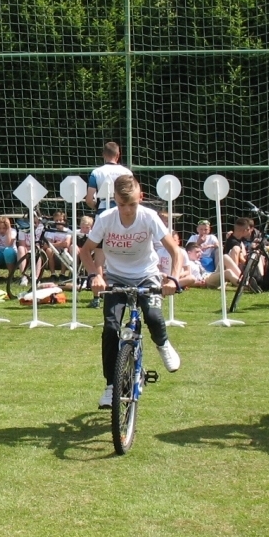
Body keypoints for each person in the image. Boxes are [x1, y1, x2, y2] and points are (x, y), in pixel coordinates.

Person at [80, 175, 185, 409]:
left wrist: (173, 278)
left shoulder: (149, 217)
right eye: (121, 204)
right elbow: (85, 251)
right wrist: (94, 275)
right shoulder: (105, 219)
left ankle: (163, 344)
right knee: (110, 328)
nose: (127, 210)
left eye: (132, 204)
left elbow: (175, 251)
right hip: (116, 277)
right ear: (115, 200)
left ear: (141, 197)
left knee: (154, 316)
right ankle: (110, 386)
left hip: (146, 275)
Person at [85, 141, 135, 212]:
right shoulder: (127, 172)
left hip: (103, 210)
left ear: (103, 155)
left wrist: (97, 207)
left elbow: (89, 200)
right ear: (118, 155)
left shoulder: (96, 172)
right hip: (121, 211)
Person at [0, 214, 28, 297]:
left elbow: (8, 244)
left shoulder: (12, 231)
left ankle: (10, 275)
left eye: (4, 228)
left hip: (10, 254)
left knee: (7, 251)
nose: (1, 230)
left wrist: (8, 229)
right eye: (0, 228)